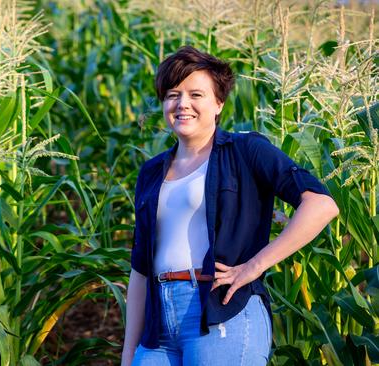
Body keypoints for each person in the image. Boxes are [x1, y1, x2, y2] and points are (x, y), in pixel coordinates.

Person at [121, 46, 339, 366]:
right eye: (172, 94)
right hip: (158, 324)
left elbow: (321, 205)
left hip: (222, 312)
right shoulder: (151, 172)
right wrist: (128, 354)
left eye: (196, 94)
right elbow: (140, 269)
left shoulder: (246, 150)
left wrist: (254, 266)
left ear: (218, 103)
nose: (183, 104)